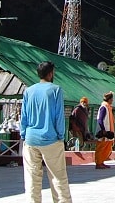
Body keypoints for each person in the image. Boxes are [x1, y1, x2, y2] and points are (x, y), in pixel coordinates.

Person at [20, 61, 72, 203]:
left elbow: (23, 116)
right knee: (58, 178)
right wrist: (61, 136)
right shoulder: (55, 90)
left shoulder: (28, 91)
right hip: (51, 139)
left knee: (32, 179)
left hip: (30, 139)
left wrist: (24, 135)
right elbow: (59, 116)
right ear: (50, 73)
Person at [95, 92, 115, 169]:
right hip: (104, 132)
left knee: (107, 148)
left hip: (108, 131)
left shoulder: (108, 107)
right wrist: (103, 130)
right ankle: (98, 163)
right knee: (101, 148)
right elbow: (100, 119)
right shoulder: (104, 107)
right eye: (112, 99)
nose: (112, 100)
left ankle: (102, 161)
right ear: (109, 99)